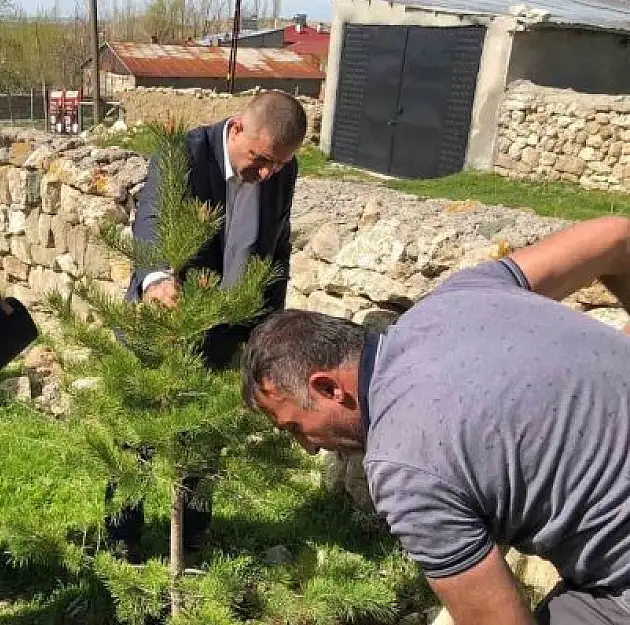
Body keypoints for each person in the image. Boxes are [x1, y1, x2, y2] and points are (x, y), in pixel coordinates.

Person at [240, 216, 630, 625]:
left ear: (329, 388)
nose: (310, 446)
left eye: (296, 427)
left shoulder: (403, 467)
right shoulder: (460, 296)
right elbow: (618, 236)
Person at [109, 90, 308, 562]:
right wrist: (157, 278)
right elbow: (152, 218)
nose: (265, 174)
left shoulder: (282, 171)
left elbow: (273, 251)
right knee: (137, 439)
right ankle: (121, 539)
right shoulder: (183, 154)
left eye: (276, 166)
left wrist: (268, 332)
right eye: (259, 160)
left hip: (222, 333)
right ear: (236, 128)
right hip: (163, 324)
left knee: (203, 439)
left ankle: (193, 541)